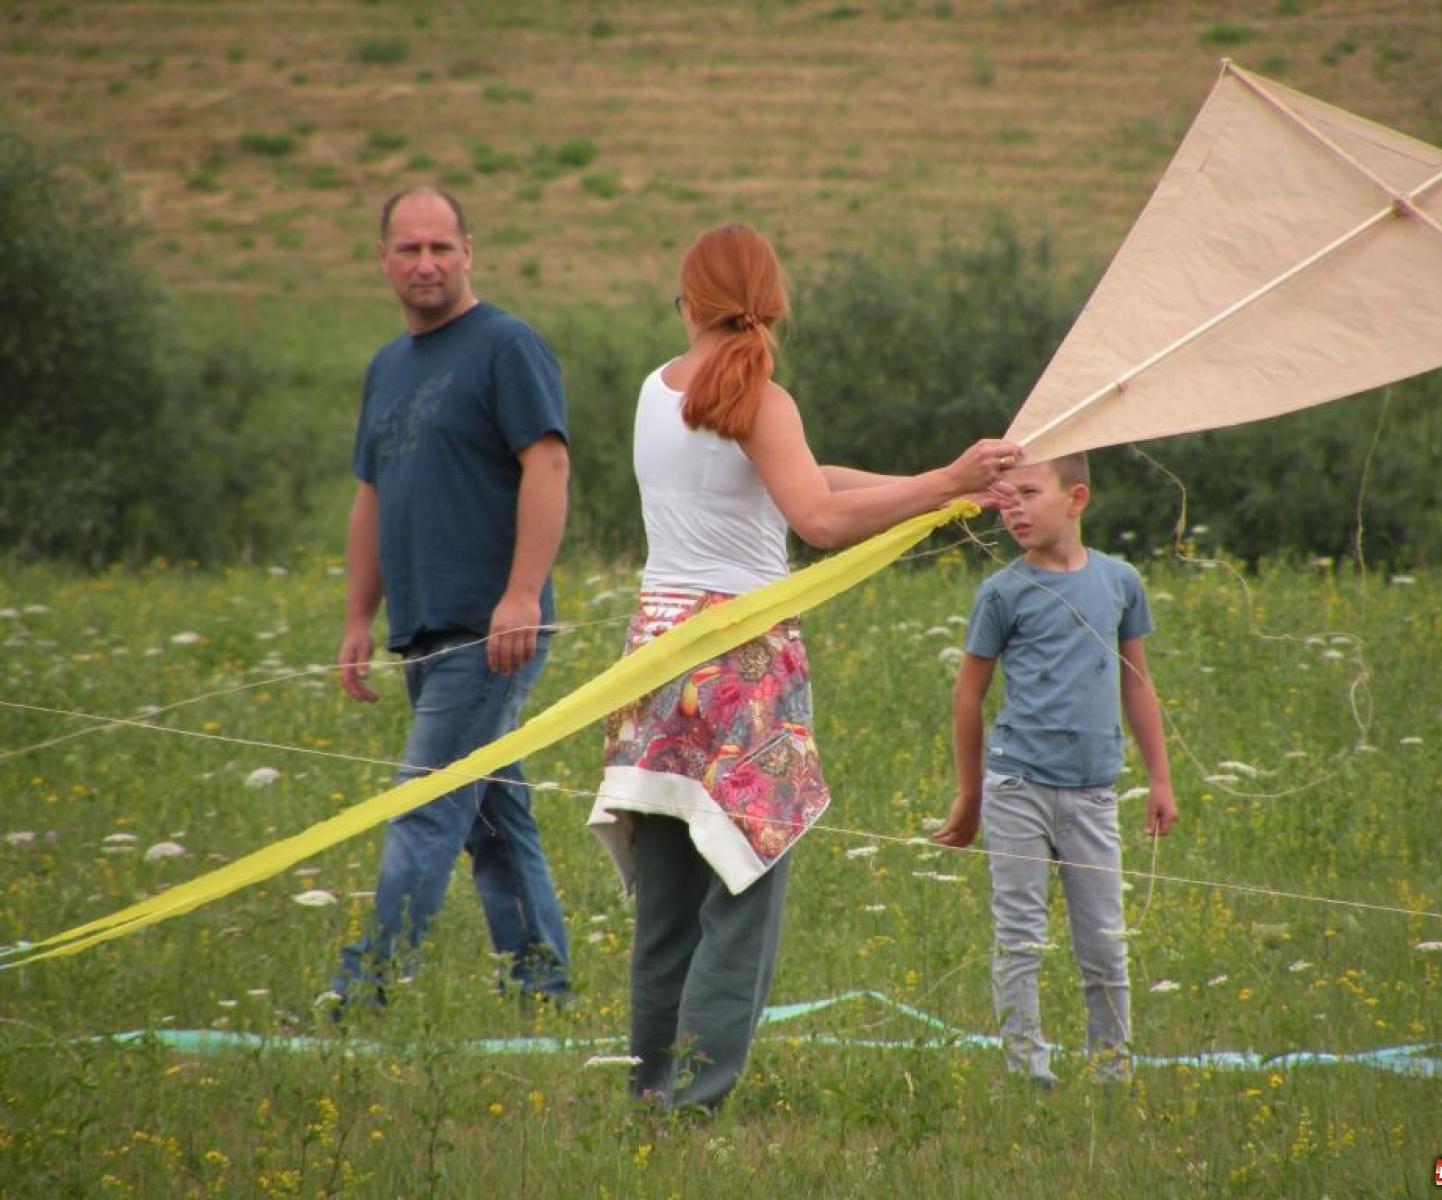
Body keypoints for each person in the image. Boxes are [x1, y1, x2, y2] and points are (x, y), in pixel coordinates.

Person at [587, 223, 1023, 1114]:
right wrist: (946, 474)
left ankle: (651, 1090)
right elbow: (818, 521)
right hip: (742, 663)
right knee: (745, 879)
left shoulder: (652, 392)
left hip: (656, 659)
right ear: (773, 300)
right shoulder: (759, 398)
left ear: (687, 300)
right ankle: (697, 1100)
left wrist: (940, 486)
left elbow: (803, 481)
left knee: (669, 897)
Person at [325, 186, 572, 1010]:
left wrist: (523, 594)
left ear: (470, 251)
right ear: (384, 261)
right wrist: (361, 615)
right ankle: (544, 989)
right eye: (408, 249)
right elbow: (373, 495)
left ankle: (365, 993)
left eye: (440, 246)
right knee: (494, 818)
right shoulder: (387, 367)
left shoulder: (506, 346)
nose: (425, 263)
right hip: (421, 629)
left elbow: (549, 464)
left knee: (425, 806)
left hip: (490, 626)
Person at [933, 452, 1177, 1088]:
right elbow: (968, 696)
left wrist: (1160, 778)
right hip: (1017, 788)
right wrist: (970, 796)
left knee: (1105, 944)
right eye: (1004, 498)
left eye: (1028, 493)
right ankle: (1026, 1074)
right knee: (1020, 937)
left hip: (1095, 792)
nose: (1012, 508)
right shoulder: (1002, 591)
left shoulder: (1120, 581)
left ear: (1077, 499)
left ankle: (1112, 1071)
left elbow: (1138, 683)